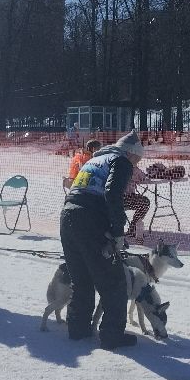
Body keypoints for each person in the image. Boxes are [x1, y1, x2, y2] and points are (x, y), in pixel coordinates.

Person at [60, 130, 144, 349]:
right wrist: (117, 233)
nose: (136, 165)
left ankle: (77, 328)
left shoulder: (96, 159)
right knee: (114, 280)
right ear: (131, 153)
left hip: (68, 216)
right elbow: (112, 195)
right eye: (138, 159)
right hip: (88, 219)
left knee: (81, 277)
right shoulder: (121, 161)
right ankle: (111, 334)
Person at [122, 160, 150, 241]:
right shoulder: (132, 168)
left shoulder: (133, 168)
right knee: (144, 202)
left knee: (144, 201)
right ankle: (133, 228)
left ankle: (133, 228)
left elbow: (143, 177)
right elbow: (143, 177)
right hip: (120, 199)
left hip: (127, 198)